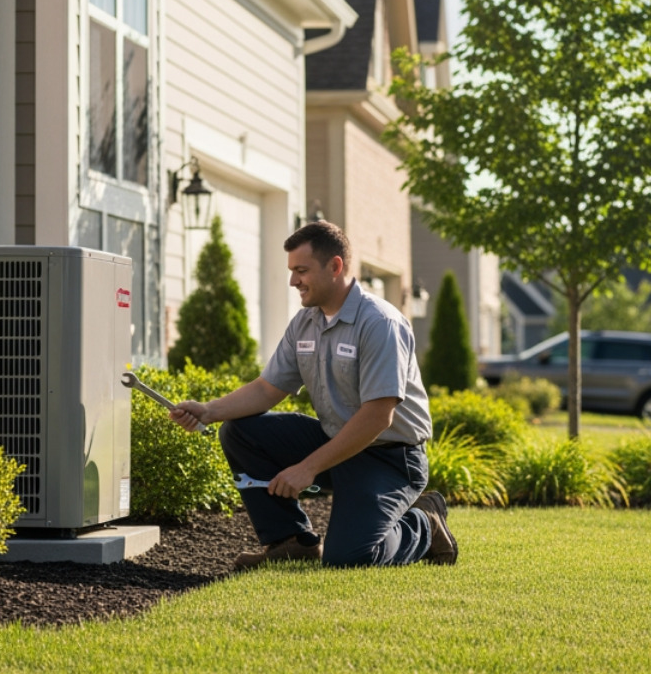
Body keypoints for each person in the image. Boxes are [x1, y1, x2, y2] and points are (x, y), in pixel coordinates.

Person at [169, 220, 456, 570]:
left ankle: (425, 524)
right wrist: (209, 411)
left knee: (349, 558)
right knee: (240, 431)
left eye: (301, 270)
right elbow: (266, 388)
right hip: (335, 441)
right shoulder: (305, 323)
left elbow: (379, 416)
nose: (293, 281)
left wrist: (307, 468)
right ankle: (292, 541)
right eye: (291, 271)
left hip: (389, 458)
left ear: (335, 266)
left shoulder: (380, 323)